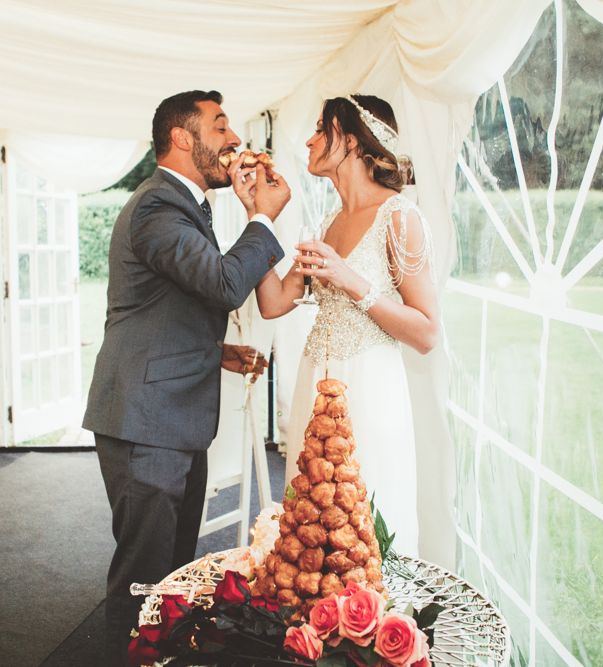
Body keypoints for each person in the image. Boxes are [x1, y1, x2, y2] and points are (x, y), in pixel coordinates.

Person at [82, 89, 290, 665]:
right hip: (147, 422)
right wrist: (263, 216)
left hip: (169, 419)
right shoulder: (156, 206)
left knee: (170, 576)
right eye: (220, 126)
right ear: (181, 137)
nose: (234, 141)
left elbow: (164, 305)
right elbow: (223, 283)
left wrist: (217, 349)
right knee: (144, 582)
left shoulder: (185, 207)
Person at [255, 95, 438, 556]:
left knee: (367, 525)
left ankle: (379, 625)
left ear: (352, 141)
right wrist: (259, 215)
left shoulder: (399, 217)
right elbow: (274, 303)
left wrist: (352, 281)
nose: (311, 139)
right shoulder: (328, 221)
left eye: (322, 128)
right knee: (312, 525)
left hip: (369, 391)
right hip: (314, 384)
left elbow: (427, 332)